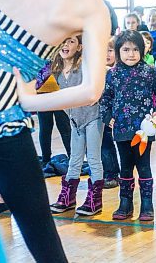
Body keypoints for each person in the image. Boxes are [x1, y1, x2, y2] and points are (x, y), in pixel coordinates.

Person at [0, 0, 112, 261]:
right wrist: (32, 101)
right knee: (43, 240)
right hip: (5, 121)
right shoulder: (91, 6)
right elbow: (92, 90)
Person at [100, 30, 156, 222]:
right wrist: (107, 117)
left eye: (135, 49)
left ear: (142, 50)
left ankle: (147, 204)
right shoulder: (112, 74)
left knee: (144, 167)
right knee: (125, 167)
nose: (131, 54)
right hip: (121, 128)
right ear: (118, 51)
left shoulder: (150, 71)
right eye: (126, 49)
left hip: (144, 129)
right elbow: (105, 98)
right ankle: (125, 203)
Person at [49, 35, 104, 216]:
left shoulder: (83, 68)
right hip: (75, 120)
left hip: (93, 116)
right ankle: (68, 197)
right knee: (74, 159)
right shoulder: (56, 72)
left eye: (71, 41)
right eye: (63, 41)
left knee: (94, 158)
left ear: (79, 47)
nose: (66, 44)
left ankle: (95, 200)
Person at [35, 62, 72, 169]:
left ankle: (72, 157)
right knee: (45, 128)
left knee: (65, 127)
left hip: (60, 93)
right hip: (42, 94)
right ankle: (46, 159)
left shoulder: (59, 55)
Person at [101, 38, 120, 189]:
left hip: (115, 112)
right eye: (103, 51)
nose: (106, 54)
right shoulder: (98, 70)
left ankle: (112, 173)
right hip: (101, 112)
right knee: (103, 142)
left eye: (110, 50)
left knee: (108, 142)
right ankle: (108, 171)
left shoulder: (117, 71)